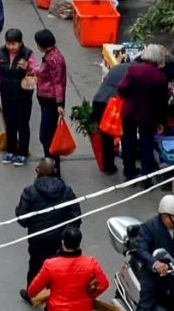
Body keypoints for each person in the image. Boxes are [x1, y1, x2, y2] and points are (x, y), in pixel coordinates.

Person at [16, 159, 81, 297]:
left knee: (36, 267)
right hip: (60, 240)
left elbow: (22, 219)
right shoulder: (67, 191)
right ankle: (56, 294)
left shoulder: (30, 192)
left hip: (38, 239)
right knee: (59, 269)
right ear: (55, 171)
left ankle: (32, 294)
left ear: (38, 171)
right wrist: (68, 234)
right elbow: (75, 216)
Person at [26, 224, 109, 310]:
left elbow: (31, 292)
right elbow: (104, 284)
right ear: (79, 243)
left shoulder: (50, 265)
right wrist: (91, 295)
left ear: (63, 242)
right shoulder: (91, 263)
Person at [118, 43, 169, 180]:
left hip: (129, 112)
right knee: (147, 143)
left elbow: (122, 89)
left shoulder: (133, 70)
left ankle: (129, 172)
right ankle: (147, 175)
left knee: (129, 142)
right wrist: (160, 122)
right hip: (148, 115)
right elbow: (162, 103)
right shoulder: (161, 77)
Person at [0, 28, 36, 165]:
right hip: (6, 93)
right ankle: (10, 150)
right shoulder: (1, 52)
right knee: (10, 123)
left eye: (13, 44)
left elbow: (36, 71)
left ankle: (22, 152)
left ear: (20, 43)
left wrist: (28, 67)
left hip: (23, 95)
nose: (10, 47)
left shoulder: (28, 54)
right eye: (8, 44)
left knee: (22, 123)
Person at [91, 59, 132, 175]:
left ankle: (108, 165)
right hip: (115, 105)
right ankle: (128, 168)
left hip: (100, 100)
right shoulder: (133, 72)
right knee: (126, 135)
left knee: (106, 135)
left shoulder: (116, 68)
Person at [33, 29, 67, 162]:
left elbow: (58, 82)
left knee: (46, 136)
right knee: (48, 134)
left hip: (50, 102)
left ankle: (51, 163)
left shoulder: (53, 59)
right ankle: (50, 159)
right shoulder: (51, 56)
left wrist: (59, 104)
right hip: (47, 101)